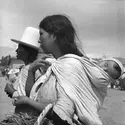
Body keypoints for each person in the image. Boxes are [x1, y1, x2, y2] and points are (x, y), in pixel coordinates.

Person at [11, 14, 123, 125]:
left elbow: (60, 114)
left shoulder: (69, 67)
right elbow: (35, 96)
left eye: (41, 34)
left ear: (54, 35)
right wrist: (31, 72)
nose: (39, 40)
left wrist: (27, 101)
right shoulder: (57, 65)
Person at [4, 26, 41, 114]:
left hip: (26, 116)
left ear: (28, 52)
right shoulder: (28, 68)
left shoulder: (31, 69)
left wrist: (12, 92)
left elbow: (31, 97)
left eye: (20, 48)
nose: (16, 50)